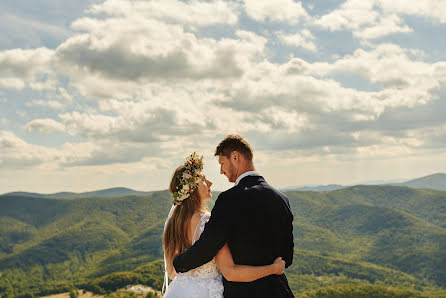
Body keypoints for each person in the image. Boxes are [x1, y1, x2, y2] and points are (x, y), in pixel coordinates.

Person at [173, 135, 295, 298]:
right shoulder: (282, 199)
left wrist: (178, 263)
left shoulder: (229, 200)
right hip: (279, 291)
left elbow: (207, 247)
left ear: (235, 157)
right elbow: (288, 256)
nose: (221, 171)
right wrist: (271, 268)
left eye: (222, 163)